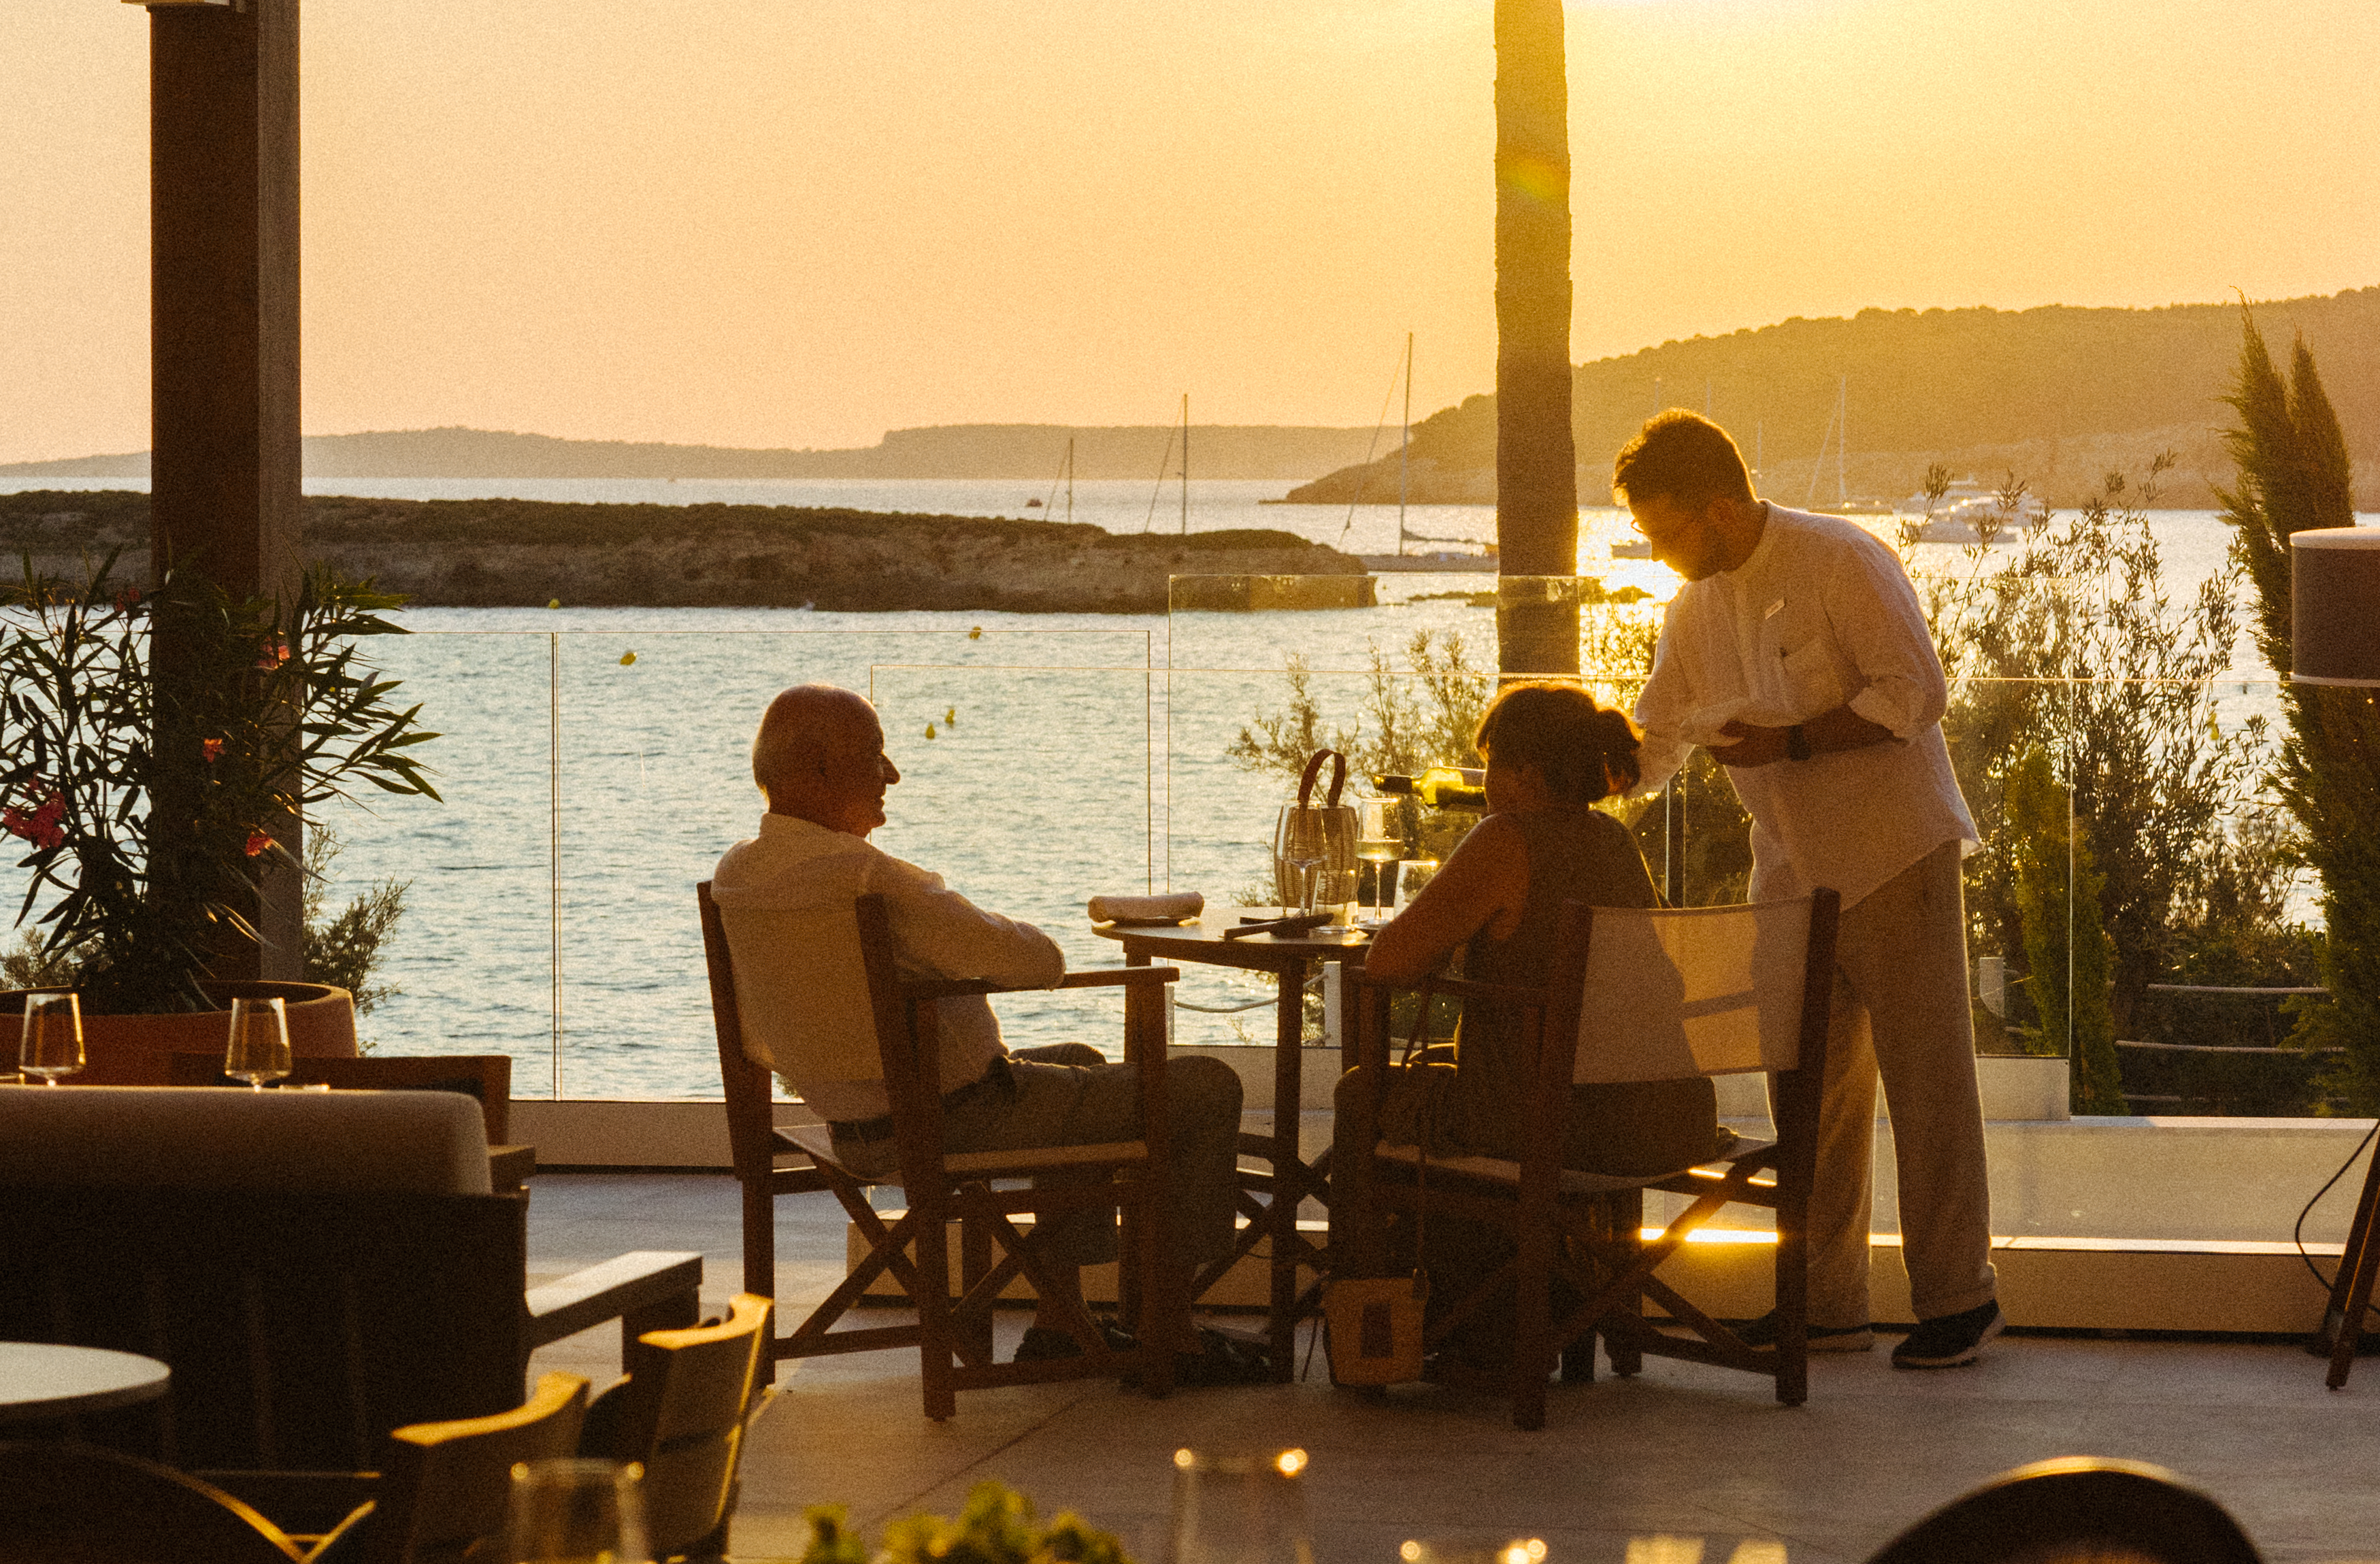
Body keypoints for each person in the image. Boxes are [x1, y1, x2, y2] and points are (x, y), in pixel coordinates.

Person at [710, 684, 1258, 1382]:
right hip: (950, 1122)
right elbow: (1035, 962)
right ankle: (1170, 1331)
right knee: (1205, 1087)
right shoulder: (868, 879)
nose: (892, 775)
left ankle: (1061, 1323)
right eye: (875, 756)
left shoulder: (740, 874)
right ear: (817, 767)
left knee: (1079, 1064)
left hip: (854, 1126)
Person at [1613, 405, 1999, 1367]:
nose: (1655, 553)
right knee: (1810, 1098)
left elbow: (1913, 691)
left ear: (1716, 506)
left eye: (1663, 532)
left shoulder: (1841, 561)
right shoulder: (1690, 611)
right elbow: (1652, 740)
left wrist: (1788, 741)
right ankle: (1824, 1304)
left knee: (1927, 1085)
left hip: (1892, 854)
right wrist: (1556, 769)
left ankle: (1958, 1299)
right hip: (1787, 870)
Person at [1322, 680, 1723, 1356]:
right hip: (1663, 1115)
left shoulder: (1506, 839)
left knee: (1362, 1093)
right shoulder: (1615, 843)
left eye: (1491, 770)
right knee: (1453, 1082)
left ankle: (1374, 1340)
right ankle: (1527, 1310)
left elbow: (1389, 962)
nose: (1484, 787)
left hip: (1553, 1126)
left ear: (1524, 777)